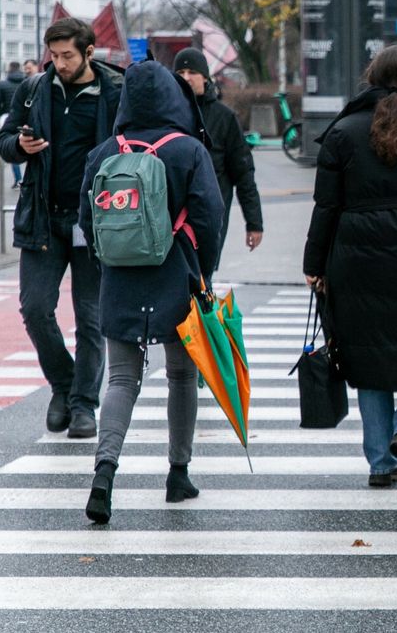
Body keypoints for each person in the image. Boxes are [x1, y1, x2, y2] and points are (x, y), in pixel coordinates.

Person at [77, 61, 223, 524]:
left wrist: (109, 261)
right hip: (176, 275)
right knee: (181, 376)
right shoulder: (188, 150)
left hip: (119, 278)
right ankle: (178, 474)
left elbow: (87, 220)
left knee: (121, 379)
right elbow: (210, 216)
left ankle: (105, 471)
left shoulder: (103, 153)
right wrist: (204, 271)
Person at [304, 45, 397, 488]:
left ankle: (382, 463)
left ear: (371, 75)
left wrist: (314, 263)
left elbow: (325, 206)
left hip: (353, 256)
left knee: (368, 359)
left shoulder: (342, 131)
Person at [0, 19, 123, 439]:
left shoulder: (114, 92)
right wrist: (20, 146)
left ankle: (84, 405)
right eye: (54, 55)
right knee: (34, 308)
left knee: (90, 318)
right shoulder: (34, 90)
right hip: (43, 218)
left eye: (67, 55)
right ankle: (65, 385)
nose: (59, 63)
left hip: (95, 221)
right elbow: (6, 139)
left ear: (89, 53)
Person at [173, 48, 263, 268]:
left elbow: (243, 173)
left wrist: (254, 223)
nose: (186, 77)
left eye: (192, 71)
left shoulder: (224, 118)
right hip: (171, 217)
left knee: (204, 280)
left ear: (205, 76)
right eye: (180, 72)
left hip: (209, 217)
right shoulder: (167, 114)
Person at [0, 61, 26, 188]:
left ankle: (18, 179)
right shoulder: (27, 83)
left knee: (13, 147)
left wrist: (3, 113)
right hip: (26, 118)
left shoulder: (3, 84)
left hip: (8, 116)